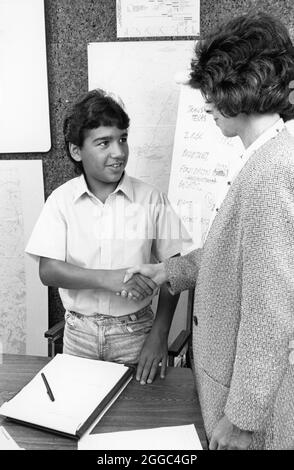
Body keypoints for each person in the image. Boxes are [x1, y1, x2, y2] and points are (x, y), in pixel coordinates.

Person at [124, 11, 294, 449]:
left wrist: (241, 419)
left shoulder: (270, 172)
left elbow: (271, 311)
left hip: (252, 410)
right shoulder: (272, 155)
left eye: (211, 91)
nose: (206, 104)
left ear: (239, 87)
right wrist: (171, 271)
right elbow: (235, 254)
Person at [25, 89, 192, 384]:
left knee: (134, 417)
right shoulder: (60, 201)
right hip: (79, 333)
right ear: (77, 151)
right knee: (77, 414)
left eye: (123, 139)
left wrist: (160, 334)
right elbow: (48, 270)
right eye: (104, 143)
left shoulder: (152, 199)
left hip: (136, 333)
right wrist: (111, 278)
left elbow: (174, 273)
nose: (118, 152)